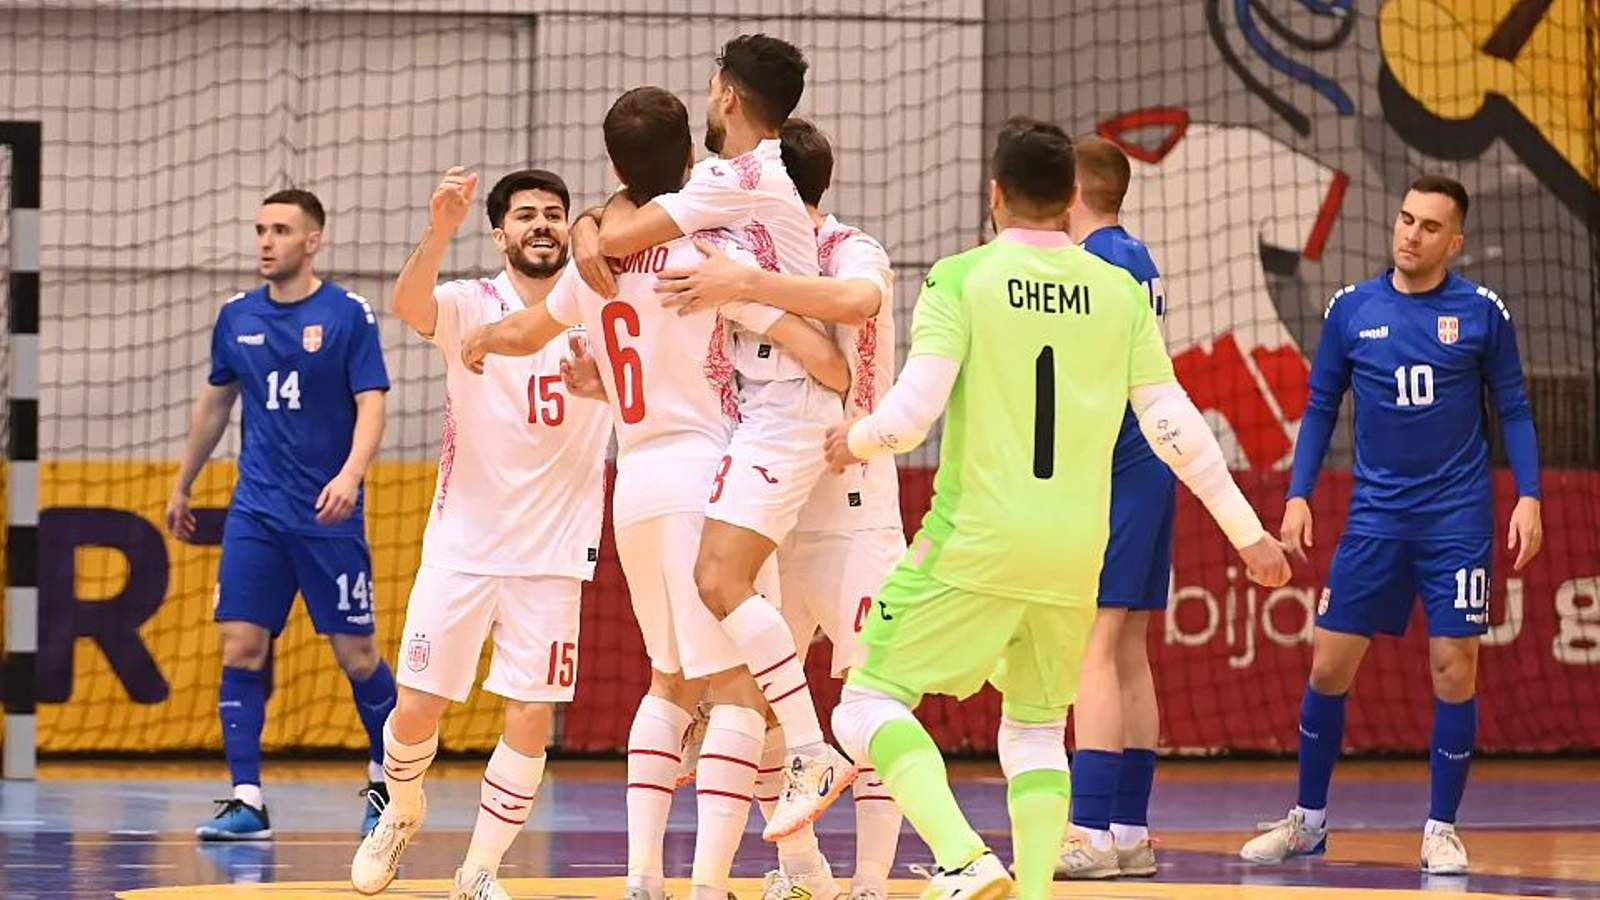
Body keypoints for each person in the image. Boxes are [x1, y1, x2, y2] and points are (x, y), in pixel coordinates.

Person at [822, 118, 1291, 900]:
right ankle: (1034, 890)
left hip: (976, 538)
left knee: (865, 702)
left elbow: (910, 417)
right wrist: (1249, 534)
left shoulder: (961, 277)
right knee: (1036, 729)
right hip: (1079, 550)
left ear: (995, 193)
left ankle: (963, 856)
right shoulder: (1117, 290)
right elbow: (1175, 426)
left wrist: (855, 441)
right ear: (1073, 197)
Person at [461, 87, 848, 900]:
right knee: (739, 689)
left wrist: (483, 337)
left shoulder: (590, 264)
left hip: (631, 487)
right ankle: (708, 884)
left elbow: (528, 333)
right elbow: (812, 348)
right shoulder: (706, 252)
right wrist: (842, 372)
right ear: (691, 162)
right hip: (705, 484)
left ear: (611, 170)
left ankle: (643, 876)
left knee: (668, 681)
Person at [572, 34, 853, 839]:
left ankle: (809, 748)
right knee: (729, 636)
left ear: (726, 94)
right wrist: (596, 221)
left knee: (716, 615)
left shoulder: (738, 179)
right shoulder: (724, 183)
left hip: (768, 419)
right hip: (741, 426)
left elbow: (627, 238)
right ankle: (804, 848)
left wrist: (591, 231)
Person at [1240, 174, 1543, 877]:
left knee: (1454, 668)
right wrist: (1298, 494)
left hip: (1457, 520)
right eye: (1406, 219)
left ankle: (1441, 828)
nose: (1411, 234)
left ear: (1454, 241)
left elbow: (1516, 409)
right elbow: (1318, 408)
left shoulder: (1482, 312)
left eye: (1429, 226)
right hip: (1375, 518)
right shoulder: (1352, 309)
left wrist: (1529, 495)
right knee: (1327, 664)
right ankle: (1308, 823)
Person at [653, 116, 905, 900]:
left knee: (869, 705)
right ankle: (806, 871)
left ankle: (870, 884)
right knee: (757, 706)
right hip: (774, 515)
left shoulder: (849, 248)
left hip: (857, 512)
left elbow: (859, 303)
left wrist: (750, 286)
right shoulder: (734, 263)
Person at [346, 167, 611, 899]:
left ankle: (481, 869)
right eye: (525, 214)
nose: (542, 224)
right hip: (463, 544)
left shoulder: (599, 310)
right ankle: (399, 813)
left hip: (554, 554)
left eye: (554, 213)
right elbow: (406, 304)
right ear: (500, 233)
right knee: (417, 706)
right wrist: (438, 229)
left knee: (531, 714)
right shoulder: (470, 303)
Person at [166, 189, 396, 841]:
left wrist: (351, 476)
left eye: (282, 230)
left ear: (312, 240)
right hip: (256, 512)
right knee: (240, 644)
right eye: (261, 229)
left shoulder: (348, 313)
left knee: (357, 656)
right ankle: (247, 800)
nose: (266, 241)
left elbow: (372, 403)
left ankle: (388, 785)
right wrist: (183, 484)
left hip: (328, 515)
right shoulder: (235, 315)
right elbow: (214, 405)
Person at [1052, 134, 1171, 880]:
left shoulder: (1093, 263)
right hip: (1152, 463)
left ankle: (1090, 832)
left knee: (1095, 646)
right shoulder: (1141, 256)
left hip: (1119, 464)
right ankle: (1129, 831)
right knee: (1127, 649)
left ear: (1070, 192)